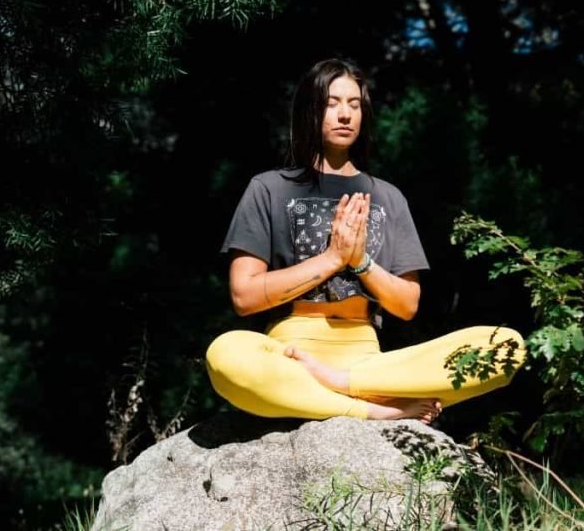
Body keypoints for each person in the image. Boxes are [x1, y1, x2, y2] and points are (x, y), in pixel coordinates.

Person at [205, 58, 526, 424]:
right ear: (308, 109)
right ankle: (369, 409)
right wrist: (332, 258)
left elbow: (406, 305)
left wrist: (360, 261)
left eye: (354, 105)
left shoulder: (388, 197)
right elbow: (244, 296)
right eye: (332, 103)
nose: (345, 115)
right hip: (290, 355)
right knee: (225, 354)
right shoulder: (269, 188)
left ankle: (341, 384)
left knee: (505, 347)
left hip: (368, 359)